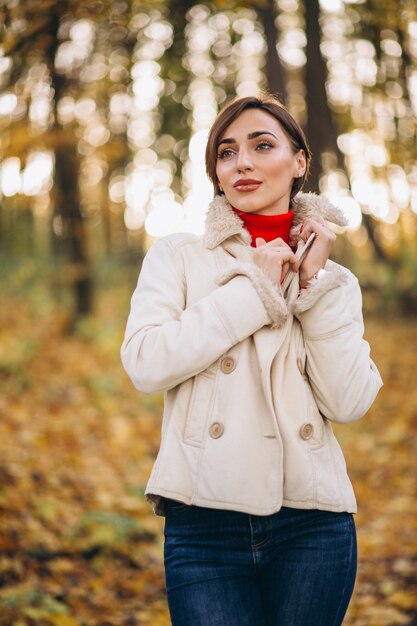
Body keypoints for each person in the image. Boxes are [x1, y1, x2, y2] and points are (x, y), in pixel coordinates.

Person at [121, 94, 383, 626]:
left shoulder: (335, 282)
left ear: (299, 161)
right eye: (226, 152)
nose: (242, 162)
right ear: (216, 173)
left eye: (262, 145)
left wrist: (313, 286)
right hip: (204, 521)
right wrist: (254, 293)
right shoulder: (178, 255)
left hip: (313, 520)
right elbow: (146, 362)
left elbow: (350, 402)